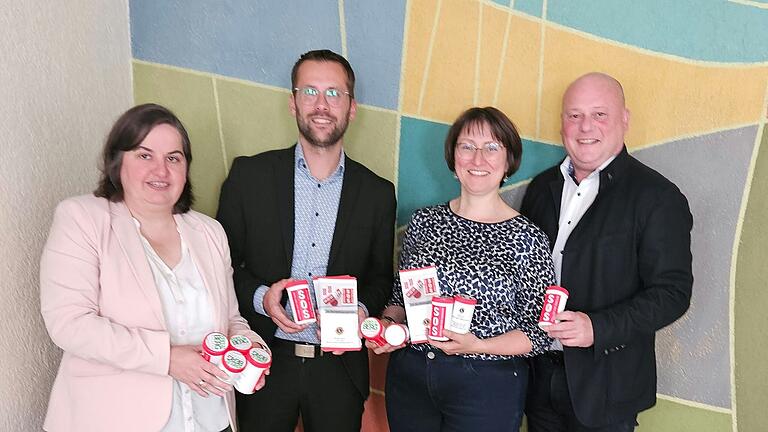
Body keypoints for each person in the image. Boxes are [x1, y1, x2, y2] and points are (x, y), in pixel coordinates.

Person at [39, 103, 266, 432]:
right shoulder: (82, 219)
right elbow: (70, 324)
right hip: (112, 421)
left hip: (207, 420)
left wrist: (249, 350)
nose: (161, 171)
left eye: (174, 158)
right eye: (145, 155)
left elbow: (230, 319)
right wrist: (167, 359)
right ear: (117, 162)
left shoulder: (209, 232)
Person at [216, 49, 396, 432]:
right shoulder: (249, 176)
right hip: (262, 359)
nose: (321, 104)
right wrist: (261, 296)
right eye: (310, 91)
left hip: (339, 370)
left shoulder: (378, 193)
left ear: (351, 108)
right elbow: (220, 266)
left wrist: (362, 310)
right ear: (292, 103)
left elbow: (382, 277)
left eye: (334, 93)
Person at [521, 72, 693, 431]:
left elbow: (673, 293)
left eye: (600, 114)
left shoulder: (657, 197)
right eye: (574, 115)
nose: (585, 127)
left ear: (624, 120)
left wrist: (597, 328)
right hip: (537, 381)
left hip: (607, 388)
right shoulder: (540, 189)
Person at [367, 107, 555, 431]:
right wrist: (387, 326)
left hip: (485, 385)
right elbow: (400, 298)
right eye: (467, 146)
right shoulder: (424, 222)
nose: (478, 159)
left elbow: (540, 331)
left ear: (509, 161)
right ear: (454, 158)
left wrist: (479, 346)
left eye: (492, 147)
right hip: (411, 375)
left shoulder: (528, 238)